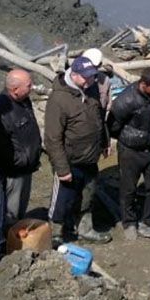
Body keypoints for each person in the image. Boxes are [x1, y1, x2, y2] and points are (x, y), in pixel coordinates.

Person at [45, 56, 111, 243]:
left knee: (87, 195)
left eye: (92, 76)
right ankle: (55, 234)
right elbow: (52, 138)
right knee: (62, 199)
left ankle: (85, 229)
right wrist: (62, 169)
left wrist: (104, 142)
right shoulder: (59, 99)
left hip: (90, 156)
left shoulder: (91, 88)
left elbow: (99, 118)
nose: (91, 80)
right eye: (86, 77)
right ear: (74, 75)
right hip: (70, 159)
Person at [108, 66, 150, 241]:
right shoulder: (125, 101)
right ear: (144, 84)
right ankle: (129, 223)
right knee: (128, 188)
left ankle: (148, 219)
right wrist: (128, 138)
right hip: (130, 150)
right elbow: (112, 126)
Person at [0, 69, 42, 254]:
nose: (32, 87)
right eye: (28, 85)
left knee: (20, 207)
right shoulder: (0, 111)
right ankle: (3, 243)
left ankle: (17, 238)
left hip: (26, 167)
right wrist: (21, 161)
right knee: (9, 210)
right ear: (15, 89)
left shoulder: (23, 100)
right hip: (12, 171)